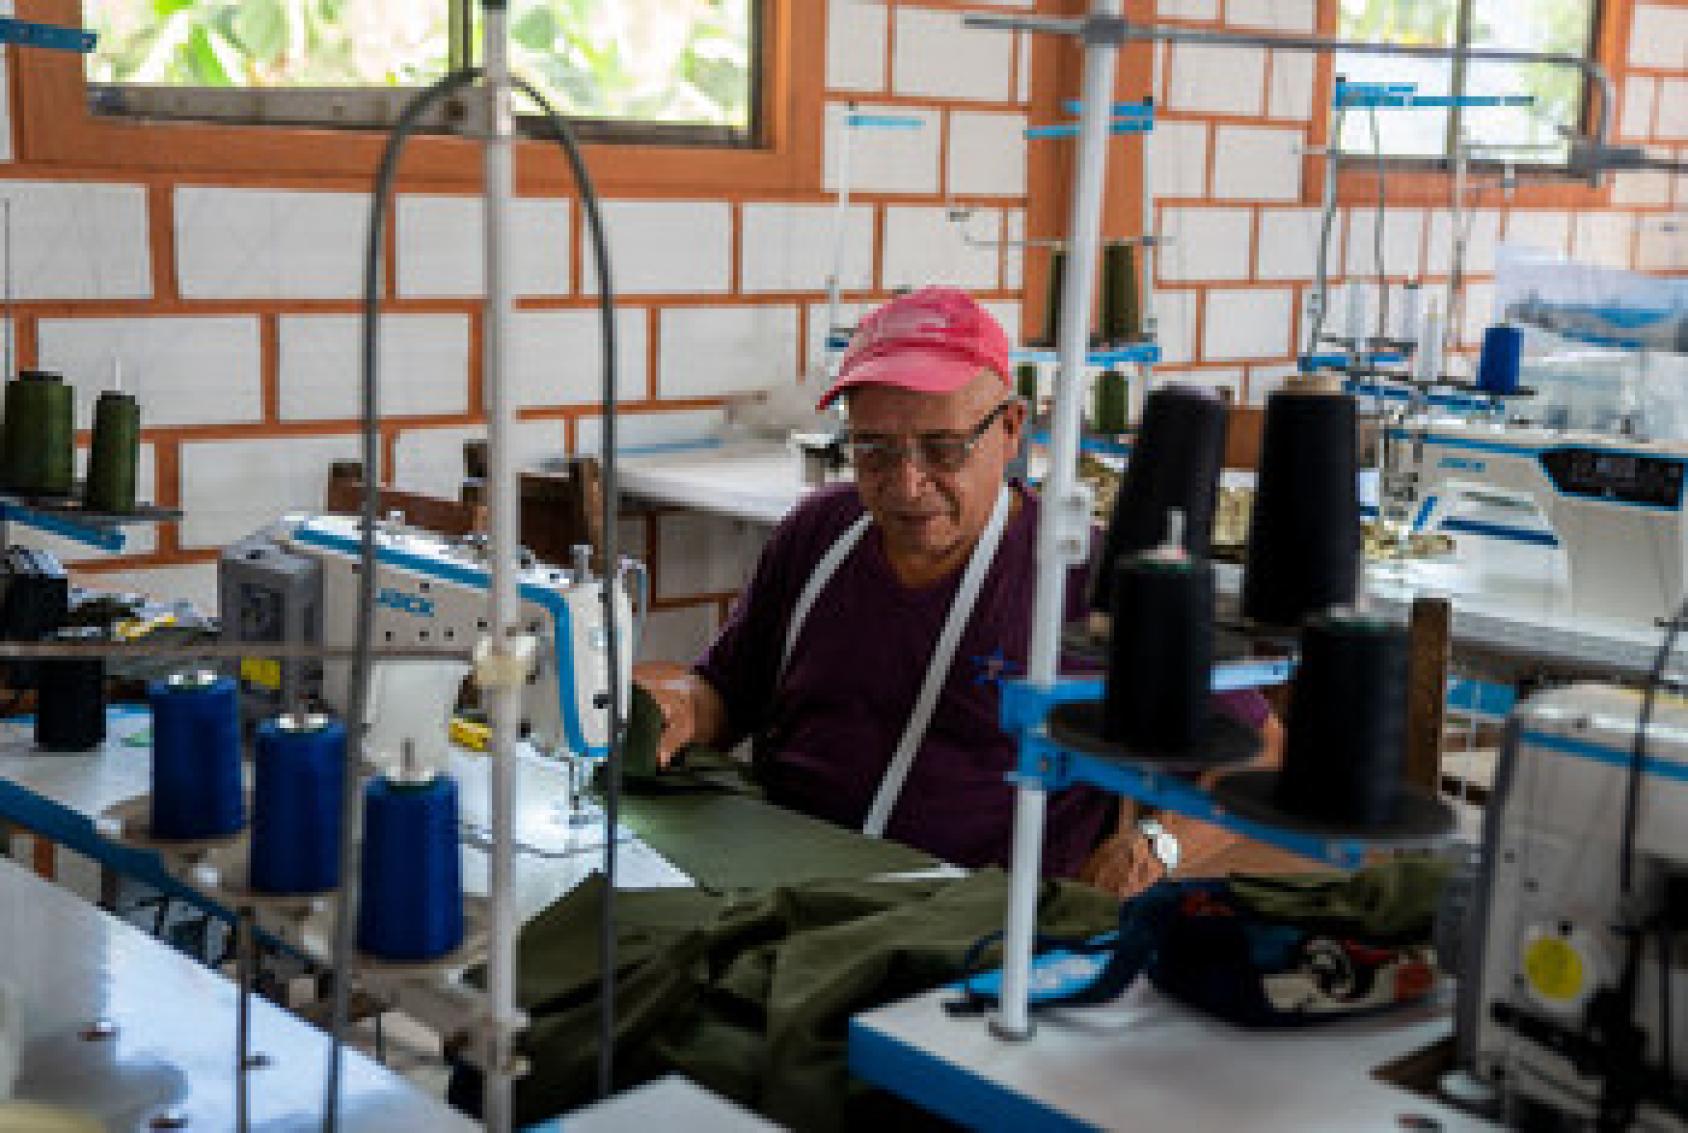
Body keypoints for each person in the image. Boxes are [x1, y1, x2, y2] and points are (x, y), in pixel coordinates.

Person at [637, 286, 1279, 884]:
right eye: (874, 449)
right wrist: (676, 708)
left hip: (975, 926)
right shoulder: (818, 533)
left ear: (1010, 430)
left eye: (943, 448)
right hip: (788, 883)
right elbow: (726, 691)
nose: (908, 484)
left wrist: (1156, 847)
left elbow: (1261, 749)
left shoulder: (1095, 576)